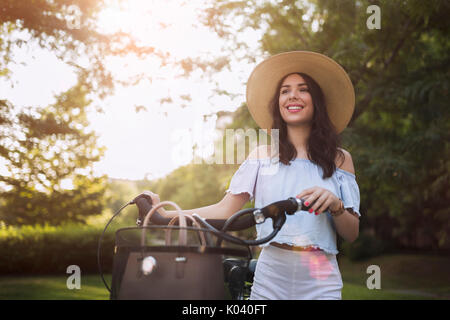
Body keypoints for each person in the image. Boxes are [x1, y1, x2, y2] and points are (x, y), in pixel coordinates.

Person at [145, 51, 361, 300]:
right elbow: (225, 210)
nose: (292, 95)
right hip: (271, 275)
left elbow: (352, 233)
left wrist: (335, 205)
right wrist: (161, 214)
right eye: (284, 91)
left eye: (303, 89)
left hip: (321, 280)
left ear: (317, 101)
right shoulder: (261, 155)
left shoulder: (340, 158)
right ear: (278, 104)